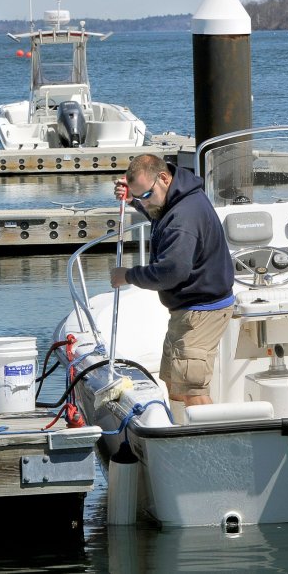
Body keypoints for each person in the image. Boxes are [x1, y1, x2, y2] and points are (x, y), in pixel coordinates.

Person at [110, 154, 234, 422]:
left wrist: (128, 275)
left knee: (192, 389)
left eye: (146, 194)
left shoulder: (183, 217)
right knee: (175, 382)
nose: (144, 201)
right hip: (187, 310)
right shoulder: (176, 196)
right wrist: (133, 199)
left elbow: (172, 273)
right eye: (140, 196)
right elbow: (158, 209)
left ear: (164, 178)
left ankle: (212, 452)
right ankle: (182, 437)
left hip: (200, 313)